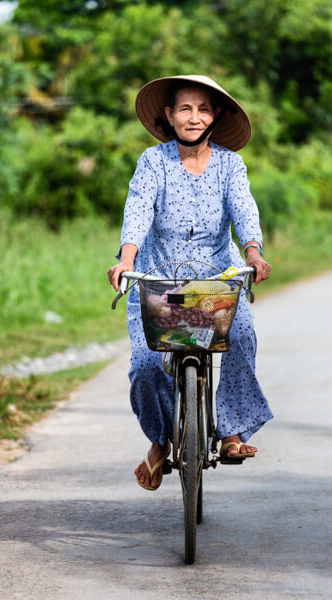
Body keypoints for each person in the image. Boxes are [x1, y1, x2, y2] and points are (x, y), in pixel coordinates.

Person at [107, 75, 273, 491]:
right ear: (169, 115)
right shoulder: (153, 162)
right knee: (146, 366)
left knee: (244, 334)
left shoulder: (231, 164)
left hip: (217, 285)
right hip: (160, 284)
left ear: (214, 115)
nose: (193, 117)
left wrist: (253, 251)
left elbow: (244, 210)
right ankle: (160, 441)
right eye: (185, 108)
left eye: (203, 109)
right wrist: (125, 260)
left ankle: (231, 430)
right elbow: (138, 210)